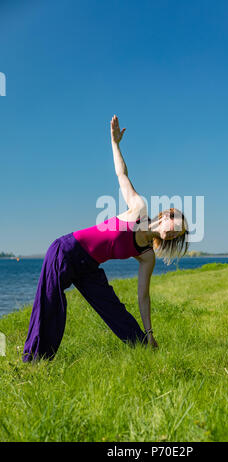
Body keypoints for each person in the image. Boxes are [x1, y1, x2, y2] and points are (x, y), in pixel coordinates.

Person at [22, 115, 189, 362]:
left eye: (179, 235)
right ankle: (35, 361)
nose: (175, 233)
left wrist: (150, 332)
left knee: (113, 309)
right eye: (177, 226)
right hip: (66, 250)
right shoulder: (139, 210)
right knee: (51, 303)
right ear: (167, 215)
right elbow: (122, 175)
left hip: (89, 266)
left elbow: (143, 296)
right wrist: (115, 144)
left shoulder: (147, 256)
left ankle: (144, 348)